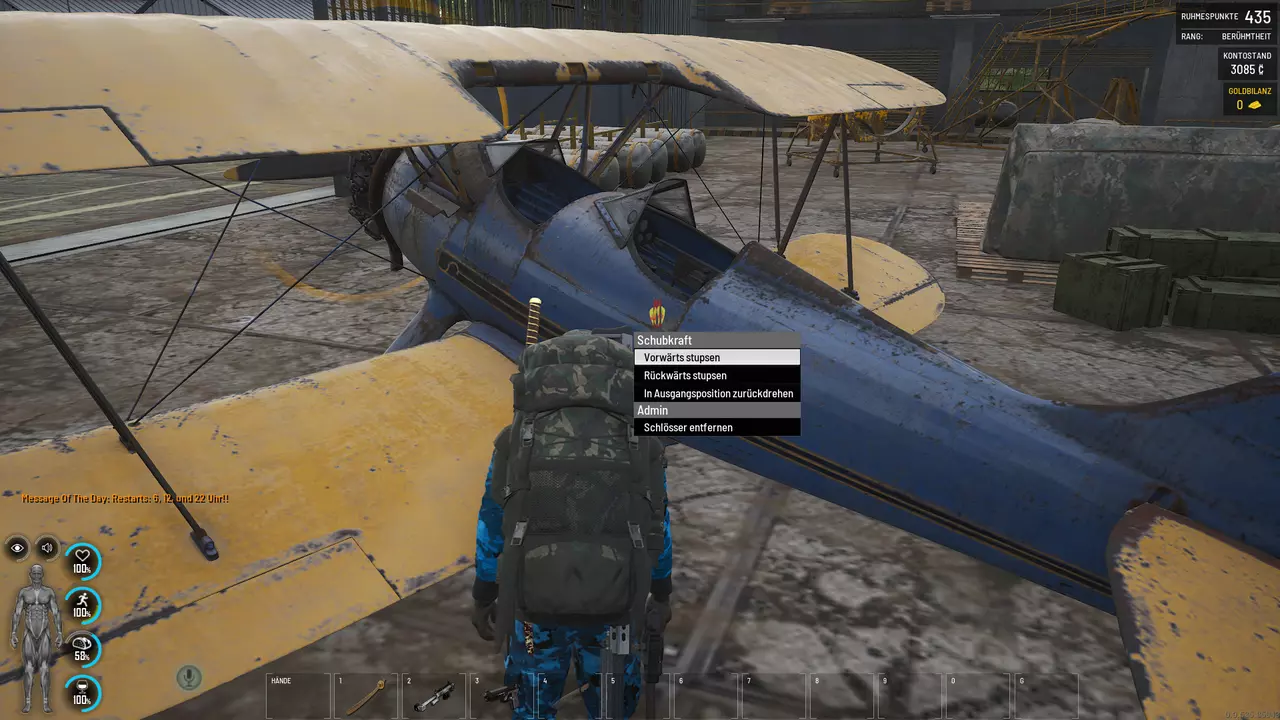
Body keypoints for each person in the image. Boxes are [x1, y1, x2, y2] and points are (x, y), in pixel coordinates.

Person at [471, 330, 673, 720]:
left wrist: (484, 594)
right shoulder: (644, 443)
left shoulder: (514, 440)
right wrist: (661, 594)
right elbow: (657, 527)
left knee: (531, 710)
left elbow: (493, 523)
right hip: (615, 610)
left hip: (533, 610)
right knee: (612, 711)